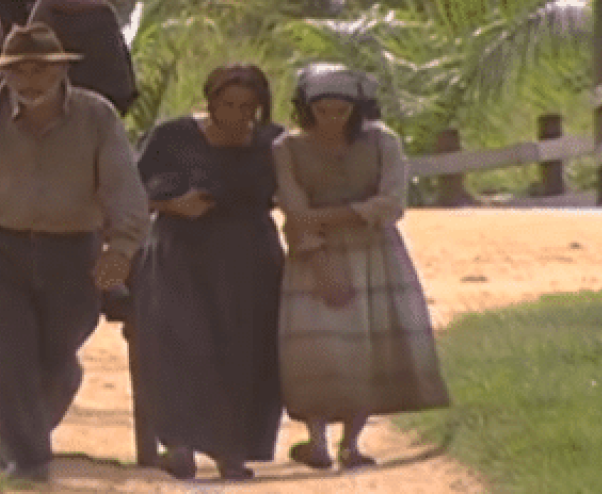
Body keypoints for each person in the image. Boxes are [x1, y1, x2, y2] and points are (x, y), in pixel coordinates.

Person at [0, 22, 150, 483]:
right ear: (5, 74)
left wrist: (121, 249)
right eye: (19, 71)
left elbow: (125, 192)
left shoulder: (96, 117)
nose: (30, 81)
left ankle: (38, 416)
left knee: (58, 352)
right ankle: (28, 463)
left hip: (73, 250)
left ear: (60, 70)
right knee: (7, 355)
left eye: (40, 70)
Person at [272, 62, 449, 471]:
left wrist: (325, 216)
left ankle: (352, 442)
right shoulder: (288, 148)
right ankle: (316, 439)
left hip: (374, 255)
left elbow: (391, 203)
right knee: (317, 347)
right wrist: (318, 247)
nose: (332, 119)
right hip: (314, 254)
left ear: (357, 108)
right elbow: (294, 207)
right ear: (307, 109)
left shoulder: (382, 142)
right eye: (323, 111)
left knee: (367, 346)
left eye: (341, 111)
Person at [132, 64, 285, 481]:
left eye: (247, 107)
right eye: (228, 104)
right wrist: (172, 204)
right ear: (211, 100)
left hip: (250, 255)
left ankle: (231, 450)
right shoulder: (173, 137)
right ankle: (179, 444)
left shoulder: (273, 143)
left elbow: (294, 190)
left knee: (244, 349)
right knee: (181, 345)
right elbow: (130, 189)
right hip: (182, 252)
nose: (237, 114)